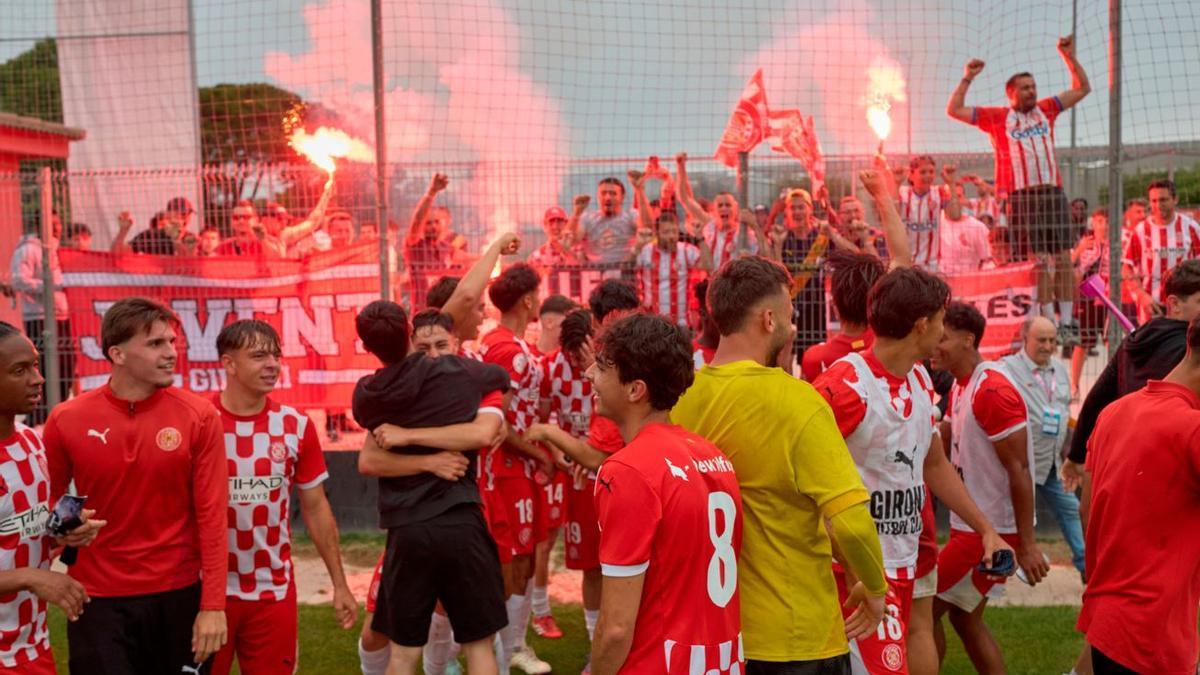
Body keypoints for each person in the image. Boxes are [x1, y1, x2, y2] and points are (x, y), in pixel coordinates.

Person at [672, 256, 888, 672]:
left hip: (711, 635)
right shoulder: (798, 401)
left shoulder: (681, 397)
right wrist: (875, 589)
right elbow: (851, 521)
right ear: (769, 320)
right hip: (795, 635)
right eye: (791, 316)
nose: (793, 326)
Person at [813, 268, 1012, 675]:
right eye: (941, 318)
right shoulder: (848, 387)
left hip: (905, 560)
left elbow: (933, 462)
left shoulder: (919, 378)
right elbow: (803, 480)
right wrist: (853, 569)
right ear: (921, 324)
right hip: (859, 574)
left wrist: (984, 528)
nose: (943, 328)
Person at [43, 297, 229, 673]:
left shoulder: (199, 416)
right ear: (117, 354)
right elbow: (52, 501)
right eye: (156, 343)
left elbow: (212, 516)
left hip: (178, 596)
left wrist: (212, 606)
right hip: (96, 599)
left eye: (172, 342)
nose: (170, 353)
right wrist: (65, 528)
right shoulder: (66, 419)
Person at [353, 301, 509, 675]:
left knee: (405, 651)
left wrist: (407, 436)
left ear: (366, 348)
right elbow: (499, 378)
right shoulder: (460, 374)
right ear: (410, 334)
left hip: (407, 530)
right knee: (479, 645)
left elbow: (371, 453)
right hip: (460, 521)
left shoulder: (369, 394)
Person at [586, 314, 744, 675]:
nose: (589, 375)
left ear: (635, 389)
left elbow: (615, 628)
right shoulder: (713, 455)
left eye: (602, 366)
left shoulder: (627, 470)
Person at [209, 320, 357, 674]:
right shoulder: (199, 422)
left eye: (276, 356)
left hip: (271, 591)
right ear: (229, 364)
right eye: (259, 356)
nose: (272, 365)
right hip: (206, 593)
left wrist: (340, 585)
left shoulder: (295, 425)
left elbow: (317, 508)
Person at [929, 302, 1048, 675]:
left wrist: (1025, 544)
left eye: (942, 338)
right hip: (978, 530)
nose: (934, 345)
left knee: (919, 612)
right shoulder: (963, 385)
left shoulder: (991, 390)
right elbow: (946, 444)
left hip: (986, 534)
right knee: (964, 620)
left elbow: (1019, 470)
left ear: (968, 340)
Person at [1077, 315, 1200, 674]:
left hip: (1109, 623)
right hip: (1153, 637)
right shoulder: (1190, 429)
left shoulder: (1115, 412)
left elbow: (1086, 509)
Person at [948, 35, 1091, 342]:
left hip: (1051, 191)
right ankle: (1044, 321)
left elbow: (1082, 89)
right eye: (1025, 88)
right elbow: (954, 109)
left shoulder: (1046, 109)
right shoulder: (998, 117)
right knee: (1037, 261)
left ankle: (1066, 323)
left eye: (1034, 86)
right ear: (1011, 93)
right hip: (1021, 196)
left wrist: (1068, 57)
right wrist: (967, 77)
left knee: (1063, 257)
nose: (1032, 91)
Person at [0, 321, 104, 673]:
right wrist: (31, 577)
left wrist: (67, 531)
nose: (38, 378)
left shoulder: (31, 440)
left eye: (35, 364)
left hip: (32, 644)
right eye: (20, 370)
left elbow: (26, 528)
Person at [479, 263, 557, 675]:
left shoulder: (504, 341)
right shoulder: (507, 350)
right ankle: (503, 652)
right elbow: (497, 421)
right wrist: (539, 454)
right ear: (527, 300)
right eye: (538, 294)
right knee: (513, 560)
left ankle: (513, 645)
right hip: (509, 469)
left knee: (524, 558)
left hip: (519, 467)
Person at [1064, 259, 1200, 487]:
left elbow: (1096, 399)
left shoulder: (1132, 343)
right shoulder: (1192, 348)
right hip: (1172, 469)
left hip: (1125, 464)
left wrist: (1075, 456)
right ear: (1174, 304)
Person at [999, 317, 1085, 577]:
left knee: (1071, 509)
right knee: (1016, 518)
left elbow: (1061, 413)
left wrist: (1069, 456)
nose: (1048, 346)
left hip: (1051, 463)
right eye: (1042, 340)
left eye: (1052, 340)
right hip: (1019, 464)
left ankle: (1087, 568)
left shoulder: (1059, 369)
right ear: (1025, 339)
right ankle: (1000, 571)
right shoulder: (1006, 369)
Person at [9, 210, 73, 427]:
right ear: (40, 224)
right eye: (52, 223)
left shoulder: (58, 249)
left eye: (58, 223)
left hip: (62, 315)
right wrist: (48, 286)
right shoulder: (28, 250)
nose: (57, 228)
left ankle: (56, 414)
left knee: (65, 366)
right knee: (43, 368)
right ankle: (38, 418)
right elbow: (18, 280)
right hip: (39, 316)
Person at [1122, 179, 1200, 324]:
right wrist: (1141, 295)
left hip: (1184, 307)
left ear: (1175, 199)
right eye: (1154, 200)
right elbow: (1127, 268)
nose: (1158, 205)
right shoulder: (1141, 230)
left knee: (1186, 345)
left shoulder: (1191, 228)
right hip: (1152, 307)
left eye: (1163, 200)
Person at [674, 152, 761, 269]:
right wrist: (681, 167)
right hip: (712, 282)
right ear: (714, 210)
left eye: (727, 205)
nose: (724, 208)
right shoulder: (709, 224)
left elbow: (762, 255)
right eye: (720, 205)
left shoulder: (744, 231)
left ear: (735, 209)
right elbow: (685, 198)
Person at [634, 207, 713, 327]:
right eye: (666, 232)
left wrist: (700, 238)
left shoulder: (686, 250)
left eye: (674, 231)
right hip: (651, 322)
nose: (671, 236)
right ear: (657, 233)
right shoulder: (646, 251)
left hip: (681, 323)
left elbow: (708, 265)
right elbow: (627, 267)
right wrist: (636, 247)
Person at [885, 154, 963, 271]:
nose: (928, 175)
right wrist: (896, 184)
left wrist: (951, 184)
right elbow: (892, 215)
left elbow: (956, 216)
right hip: (905, 264)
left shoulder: (940, 192)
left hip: (931, 265)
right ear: (911, 175)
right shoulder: (902, 192)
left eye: (931, 172)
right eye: (923, 172)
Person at [1070, 209, 1112, 399]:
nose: (1103, 225)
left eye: (1106, 221)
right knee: (1083, 342)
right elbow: (1073, 270)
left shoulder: (1117, 244)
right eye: (1099, 221)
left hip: (1109, 299)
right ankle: (1074, 386)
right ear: (1093, 224)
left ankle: (1112, 384)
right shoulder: (1086, 245)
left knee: (1111, 341)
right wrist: (1079, 250)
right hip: (1087, 299)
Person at [568, 178, 639, 264]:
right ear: (598, 197)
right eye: (603, 193)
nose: (608, 197)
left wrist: (640, 190)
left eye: (613, 194)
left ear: (622, 197)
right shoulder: (587, 217)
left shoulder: (631, 215)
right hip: (595, 272)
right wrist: (576, 213)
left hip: (625, 272)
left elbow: (647, 228)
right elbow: (571, 241)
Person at [938, 209, 995, 273]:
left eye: (988, 221)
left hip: (971, 277)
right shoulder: (939, 222)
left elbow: (988, 260)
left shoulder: (978, 227)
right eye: (984, 220)